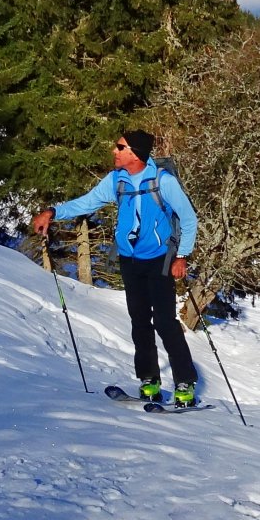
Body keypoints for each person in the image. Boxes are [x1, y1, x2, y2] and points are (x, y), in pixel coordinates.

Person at [31, 130, 201, 407]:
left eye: (120, 147)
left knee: (165, 322)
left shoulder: (163, 181)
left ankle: (185, 383)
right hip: (129, 260)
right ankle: (149, 380)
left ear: (135, 153)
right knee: (139, 321)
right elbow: (87, 202)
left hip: (159, 260)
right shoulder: (116, 180)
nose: (114, 151)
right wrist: (52, 212)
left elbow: (189, 219)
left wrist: (181, 256)